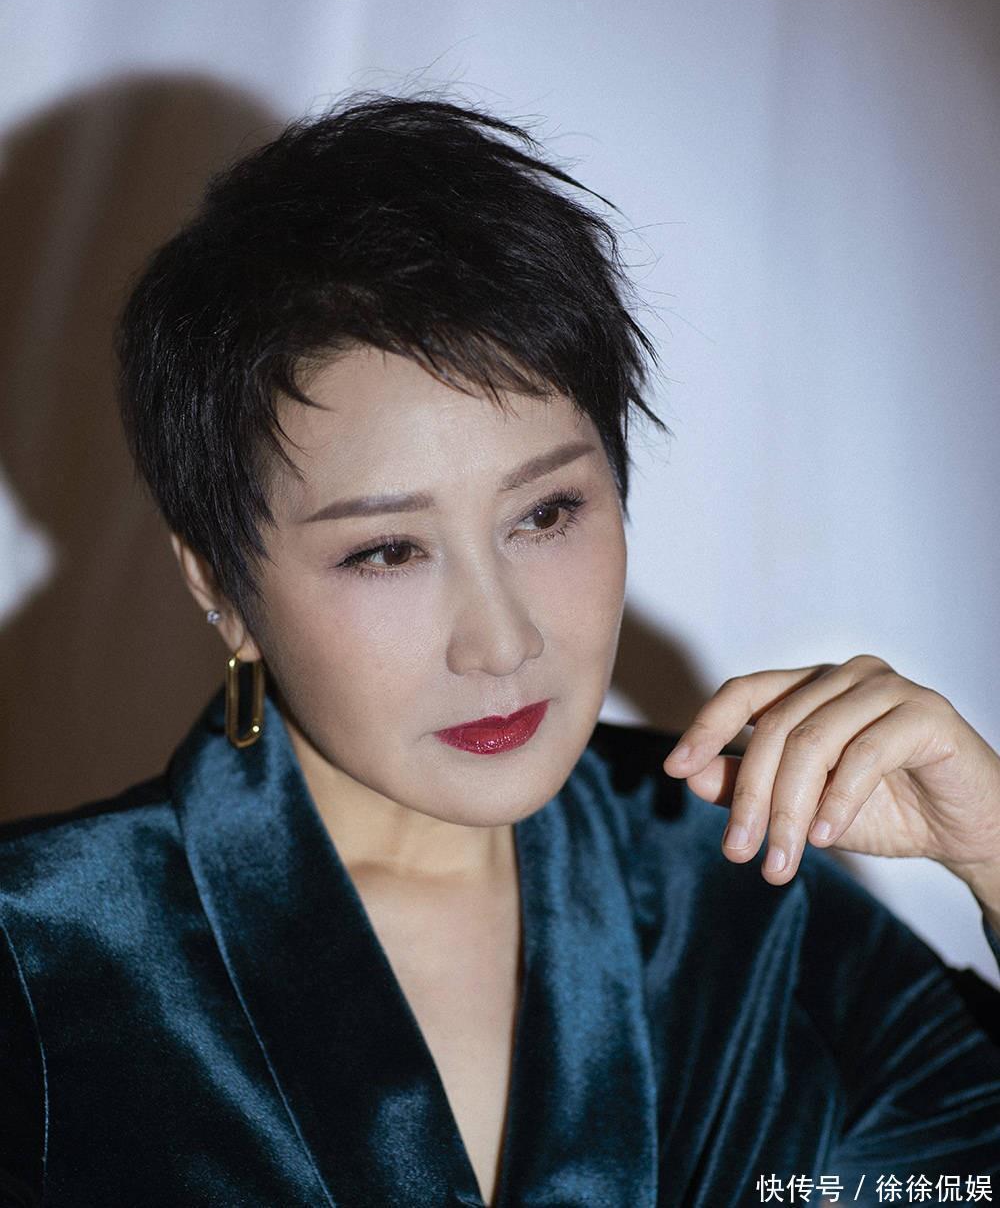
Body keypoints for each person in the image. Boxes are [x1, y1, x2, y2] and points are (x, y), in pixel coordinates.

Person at [0, 93, 997, 1208]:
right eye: (386, 551)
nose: (501, 641)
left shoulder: (740, 900)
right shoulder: (40, 956)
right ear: (220, 587)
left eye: (545, 514)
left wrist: (994, 856)